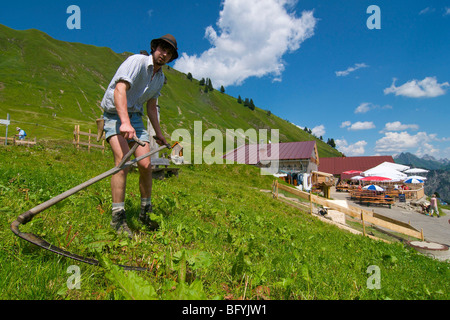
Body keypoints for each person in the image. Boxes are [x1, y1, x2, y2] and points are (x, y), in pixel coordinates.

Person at [100, 34, 179, 237]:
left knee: (146, 164)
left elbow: (151, 106)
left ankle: (145, 211)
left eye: (169, 53)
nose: (164, 54)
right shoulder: (136, 61)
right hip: (113, 115)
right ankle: (117, 217)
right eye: (162, 49)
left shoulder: (160, 78)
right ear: (154, 48)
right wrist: (124, 122)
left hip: (135, 117)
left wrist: (159, 134)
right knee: (123, 161)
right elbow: (120, 90)